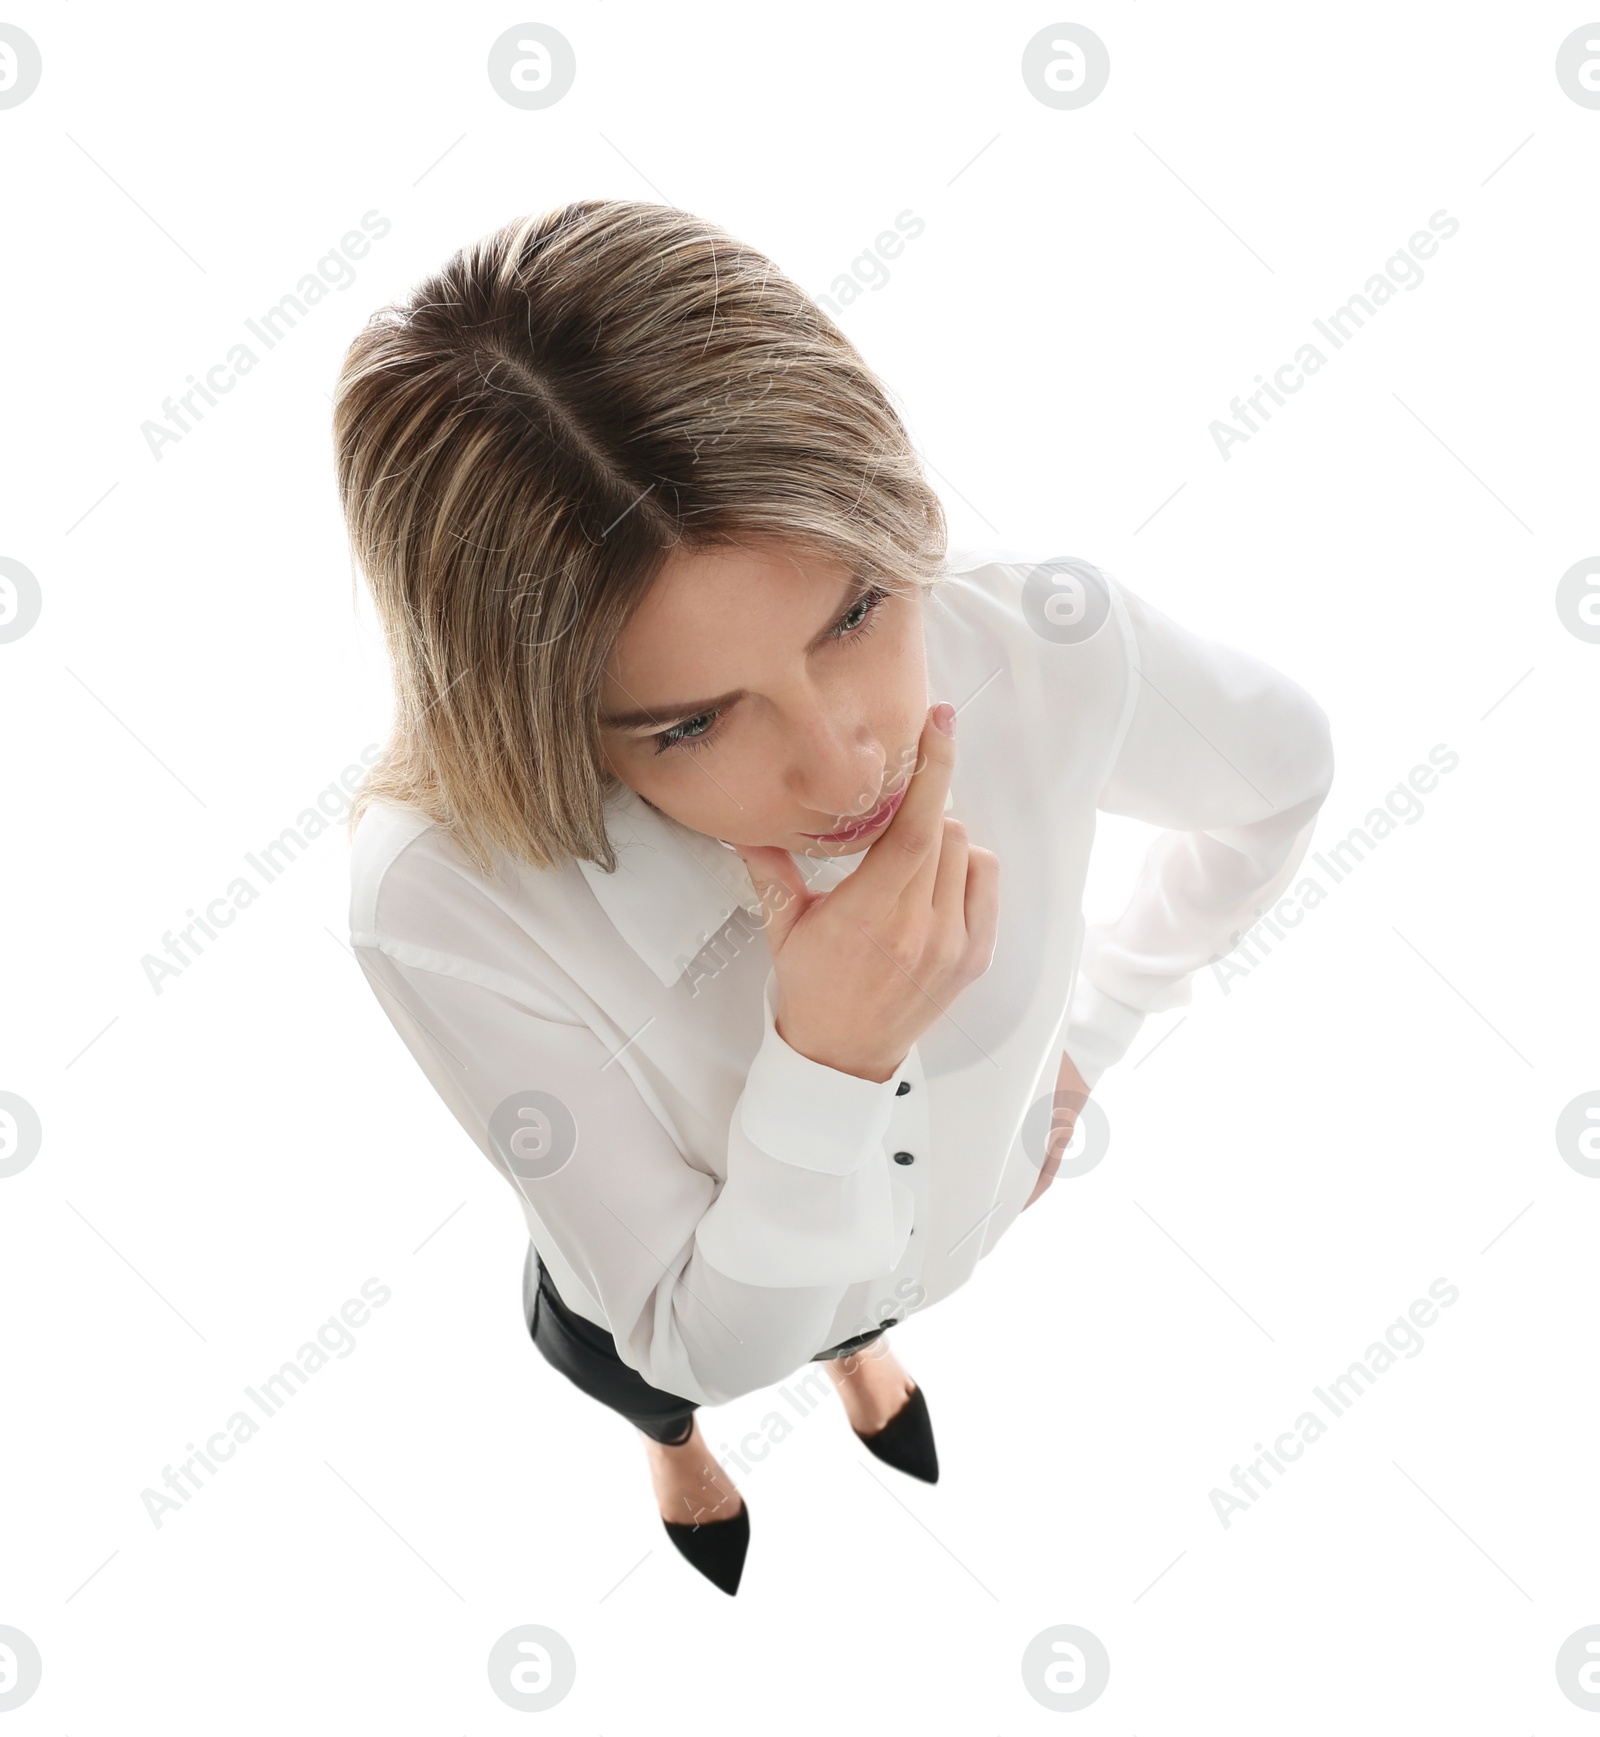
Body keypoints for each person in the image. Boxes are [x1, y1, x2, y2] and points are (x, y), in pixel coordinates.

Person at [334, 199, 1335, 1598]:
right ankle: (678, 1459)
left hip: (941, 1236)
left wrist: (1098, 1026)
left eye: (857, 613)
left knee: (845, 1310)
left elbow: (1282, 777)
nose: (844, 758)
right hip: (671, 1320)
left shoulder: (1048, 647)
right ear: (550, 720)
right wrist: (830, 1063)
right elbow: (691, 1330)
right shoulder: (441, 900)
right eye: (691, 725)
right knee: (636, 1376)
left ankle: (866, 1346)